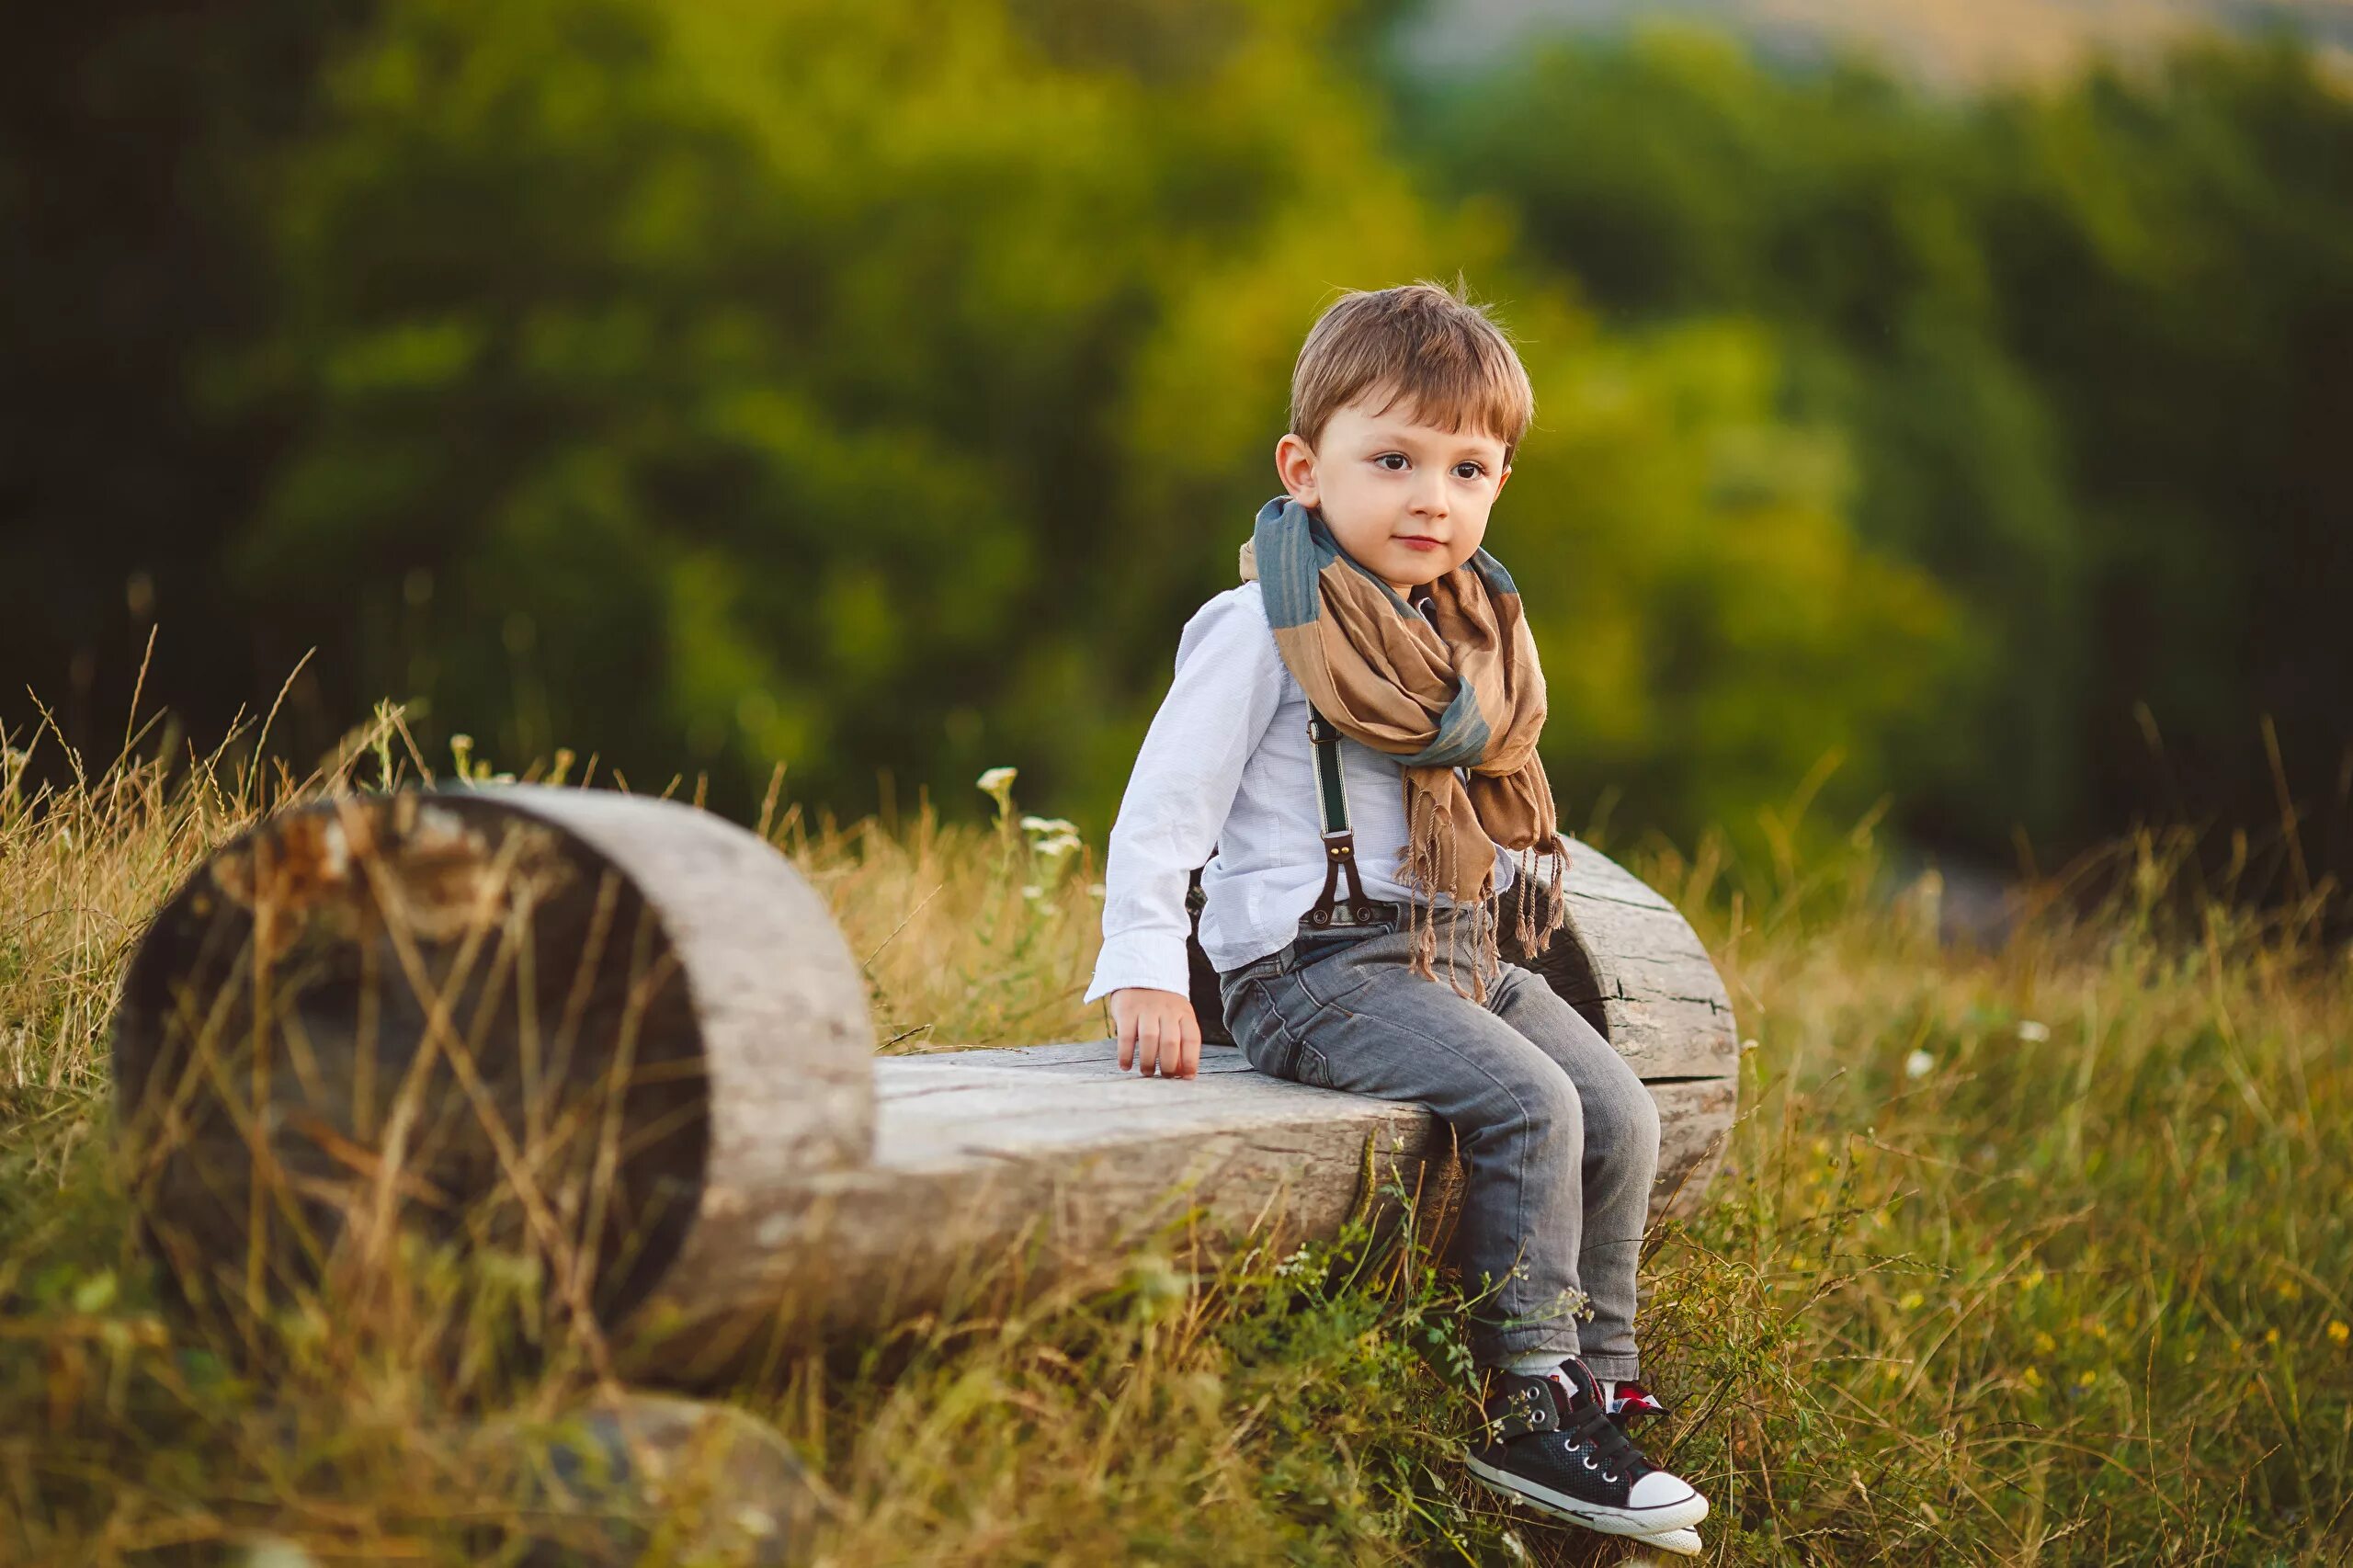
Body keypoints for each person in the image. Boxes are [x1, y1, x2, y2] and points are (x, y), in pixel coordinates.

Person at [1081, 280, 1712, 1555]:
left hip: (1453, 951)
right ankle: (1525, 1401)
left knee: (1624, 1107)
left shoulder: (1473, 637)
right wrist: (1145, 964)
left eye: (1468, 468)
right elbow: (1166, 804)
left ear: (1497, 487)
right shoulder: (1266, 628)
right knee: (1531, 1104)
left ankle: (1603, 1373)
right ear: (1306, 470)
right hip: (1312, 970)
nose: (1433, 496)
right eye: (1394, 460)